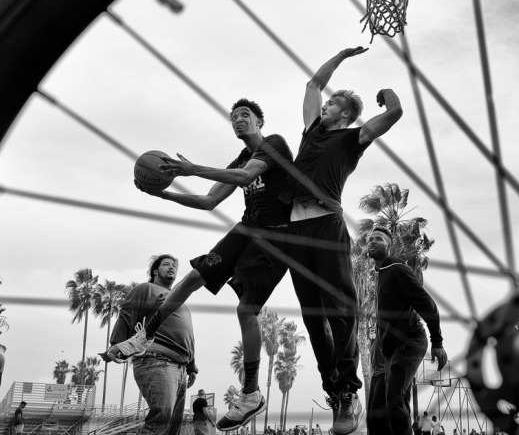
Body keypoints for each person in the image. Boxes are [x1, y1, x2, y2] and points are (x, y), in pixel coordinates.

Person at [114, 99, 293, 430]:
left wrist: (192, 169)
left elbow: (245, 176)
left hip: (278, 235)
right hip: (247, 227)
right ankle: (145, 336)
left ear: (259, 121)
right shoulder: (238, 158)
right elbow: (209, 201)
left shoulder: (274, 145)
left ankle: (251, 393)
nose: (238, 121)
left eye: (245, 116)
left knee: (245, 311)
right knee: (192, 278)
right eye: (234, 117)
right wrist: (162, 195)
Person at [279, 47, 403, 435]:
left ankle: (348, 390)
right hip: (295, 231)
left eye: (334, 102)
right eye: (328, 102)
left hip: (327, 225)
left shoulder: (353, 139)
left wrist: (388, 93)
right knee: (314, 316)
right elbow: (314, 83)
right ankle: (336, 394)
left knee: (341, 310)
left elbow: (394, 115)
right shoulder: (312, 130)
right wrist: (343, 55)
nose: (326, 103)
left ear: (346, 114)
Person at [365, 226, 448, 435]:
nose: (372, 242)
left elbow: (427, 304)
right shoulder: (380, 274)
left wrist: (437, 342)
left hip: (409, 342)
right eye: (370, 239)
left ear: (388, 246)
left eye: (378, 239)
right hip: (389, 351)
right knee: (375, 411)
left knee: (394, 398)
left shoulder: (396, 268)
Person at [105, 255, 197, 435]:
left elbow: (188, 335)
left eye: (174, 266)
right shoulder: (146, 289)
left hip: (181, 369)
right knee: (159, 422)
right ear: (155, 271)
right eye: (166, 264)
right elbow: (127, 314)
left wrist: (192, 366)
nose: (172, 267)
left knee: (172, 429)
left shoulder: (180, 300)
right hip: (156, 361)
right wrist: (117, 345)